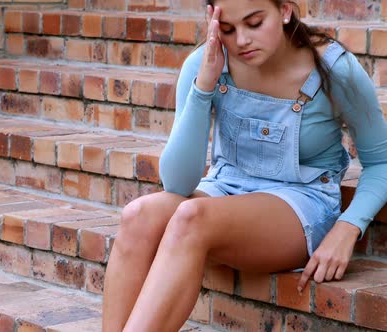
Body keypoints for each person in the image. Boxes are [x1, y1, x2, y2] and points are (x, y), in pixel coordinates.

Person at [101, 0, 387, 331]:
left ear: (284, 10)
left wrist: (348, 227)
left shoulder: (333, 68)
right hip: (225, 189)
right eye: (227, 29)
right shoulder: (206, 64)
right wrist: (204, 85)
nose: (241, 41)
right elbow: (178, 184)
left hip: (299, 203)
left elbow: (381, 162)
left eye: (254, 23)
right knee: (137, 216)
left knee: (191, 218)